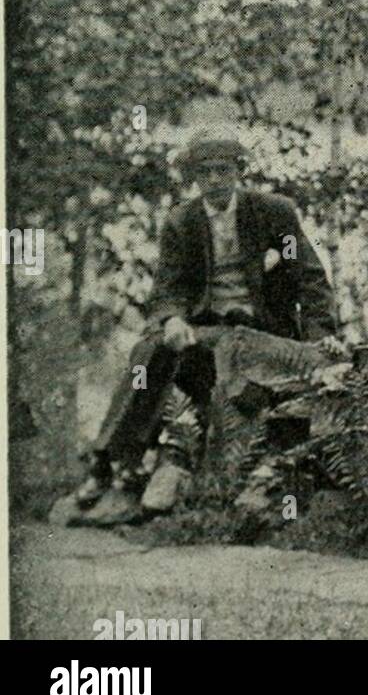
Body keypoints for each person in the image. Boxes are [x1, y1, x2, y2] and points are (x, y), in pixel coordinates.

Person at [74, 127, 336, 508]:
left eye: (223, 170)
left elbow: (308, 276)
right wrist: (172, 319)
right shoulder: (182, 223)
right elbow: (167, 288)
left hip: (262, 330)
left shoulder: (274, 213)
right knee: (149, 352)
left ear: (239, 171)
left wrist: (319, 337)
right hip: (207, 330)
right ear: (194, 176)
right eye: (205, 172)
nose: (214, 180)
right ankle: (109, 459)